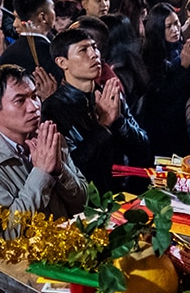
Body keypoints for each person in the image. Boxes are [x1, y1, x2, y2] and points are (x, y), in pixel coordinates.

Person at [0, 65, 87, 239]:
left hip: (67, 245)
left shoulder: (49, 138)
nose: (34, 107)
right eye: (20, 101)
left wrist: (59, 171)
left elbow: (83, 203)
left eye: (35, 96)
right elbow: (7, 232)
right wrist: (42, 173)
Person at [42, 29, 151, 193]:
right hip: (90, 203)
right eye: (83, 50)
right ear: (62, 62)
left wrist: (119, 121)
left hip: (128, 192)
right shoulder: (54, 109)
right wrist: (103, 126)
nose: (94, 54)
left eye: (94, 47)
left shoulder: (110, 94)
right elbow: (72, 170)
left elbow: (143, 149)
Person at [138, 3, 190, 157]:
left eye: (177, 23)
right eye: (169, 26)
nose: (175, 30)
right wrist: (183, 67)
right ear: (158, 29)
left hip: (183, 121)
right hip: (162, 128)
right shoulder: (150, 56)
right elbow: (161, 95)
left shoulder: (180, 48)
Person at [1, 0, 64, 84]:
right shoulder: (51, 53)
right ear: (43, 17)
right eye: (52, 8)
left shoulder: (7, 54)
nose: (55, 13)